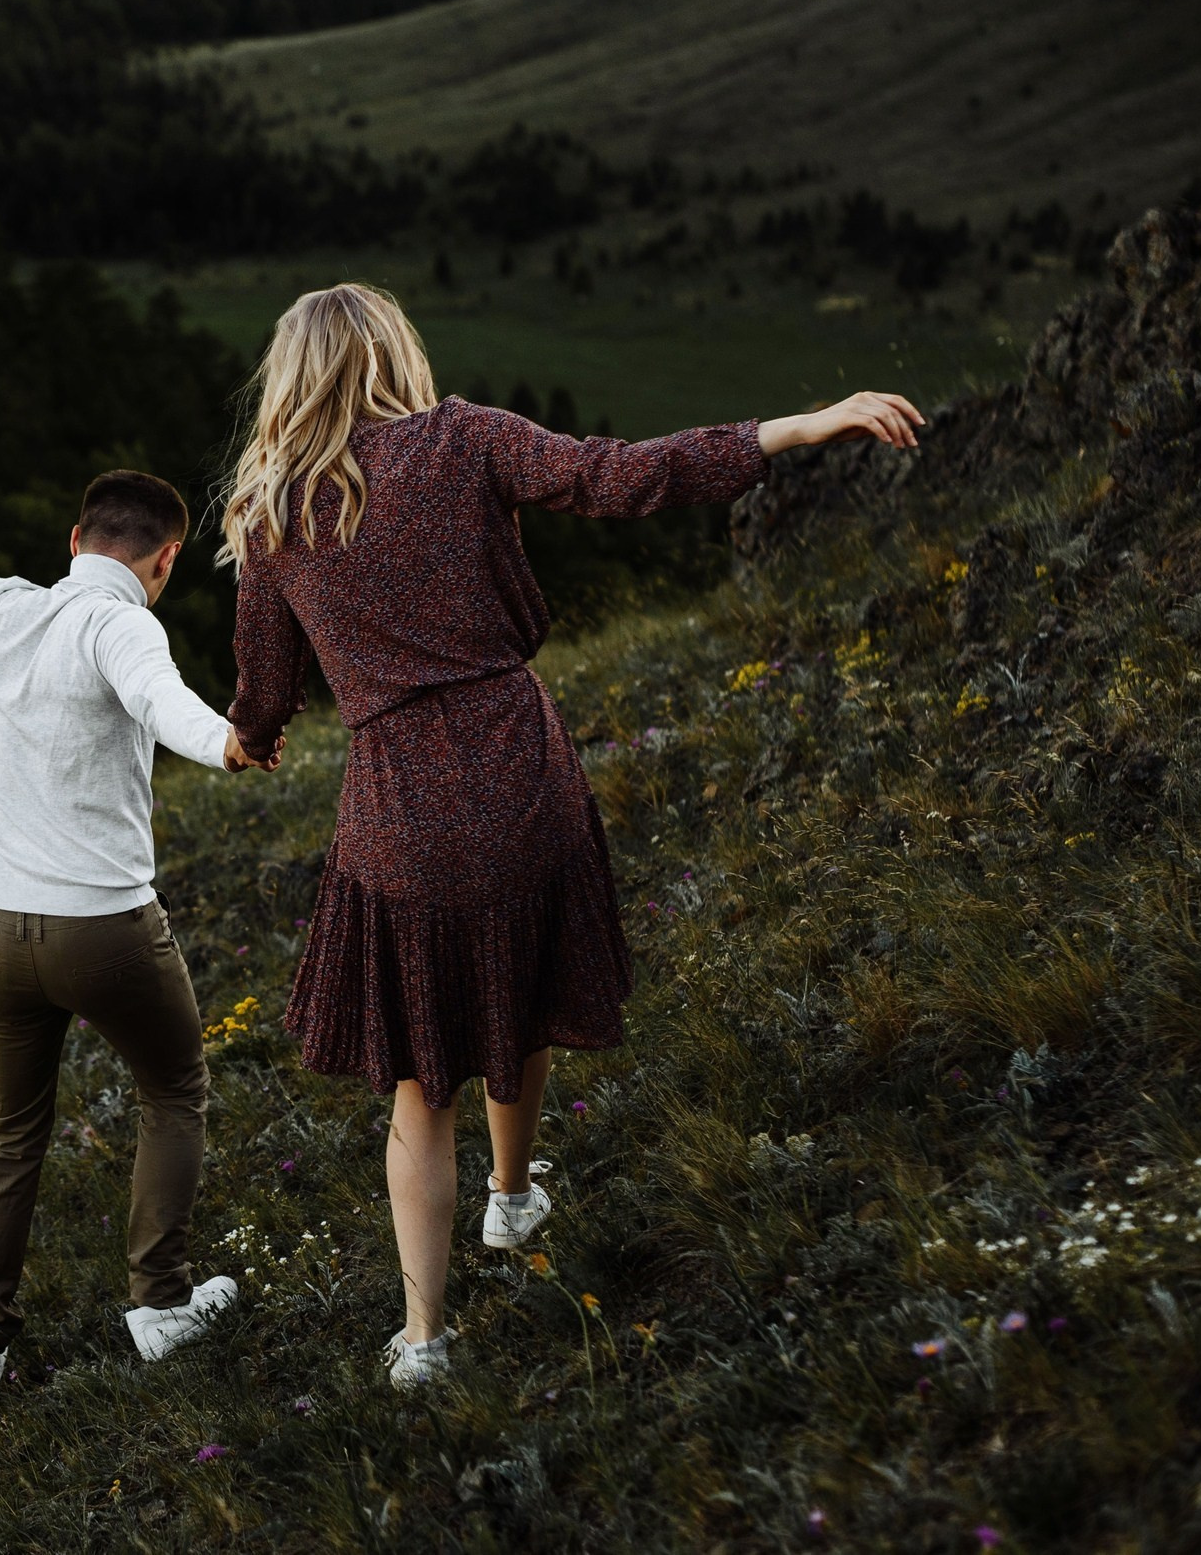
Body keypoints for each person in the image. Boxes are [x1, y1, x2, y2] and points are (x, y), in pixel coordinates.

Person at [220, 283, 922, 1388]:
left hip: (396, 808)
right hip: (516, 768)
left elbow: (263, 690)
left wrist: (250, 740)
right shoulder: (464, 439)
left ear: (290, 378)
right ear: (393, 353)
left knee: (420, 1085)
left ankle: (422, 1338)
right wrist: (795, 426)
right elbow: (622, 474)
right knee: (525, 976)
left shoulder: (272, 512)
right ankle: (511, 1195)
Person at [0, 470, 280, 1405]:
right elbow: (163, 701)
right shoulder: (124, 625)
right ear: (165, 561)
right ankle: (160, 1304)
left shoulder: (1, 606)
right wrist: (228, 743)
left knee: (12, 1128)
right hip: (105, 928)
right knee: (174, 1089)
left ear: (75, 541)